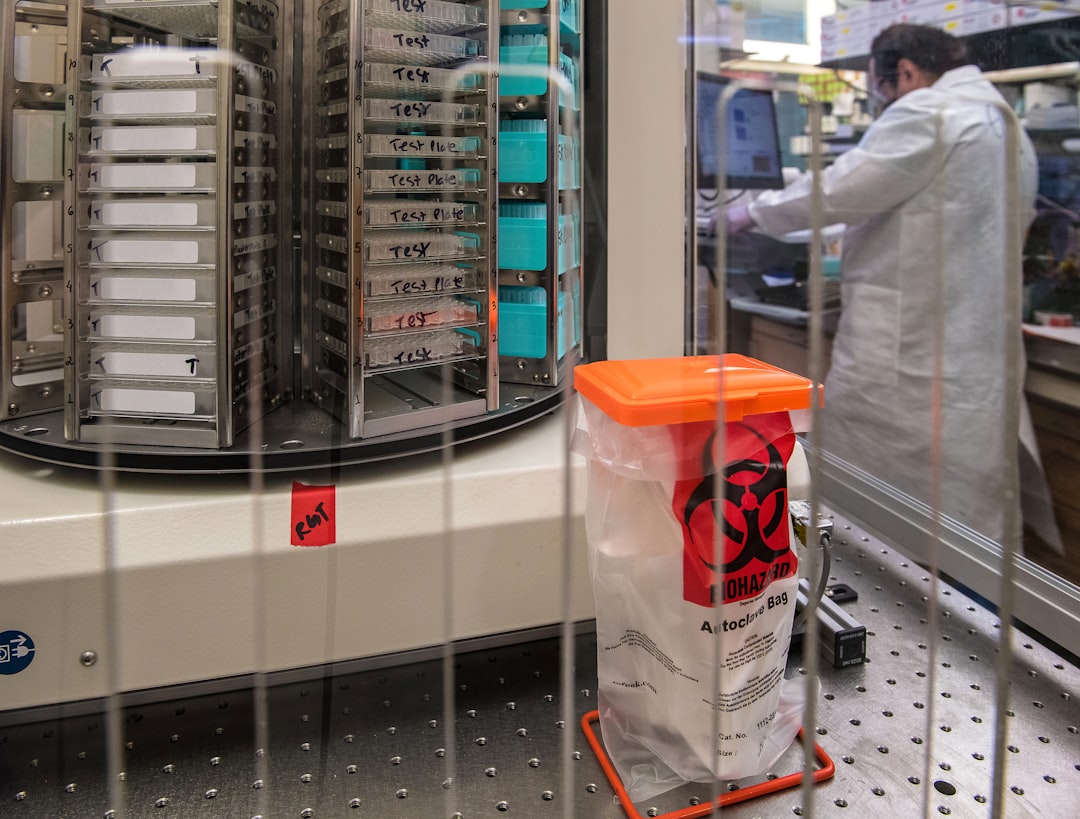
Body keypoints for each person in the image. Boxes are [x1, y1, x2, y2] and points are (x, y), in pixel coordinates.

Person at [727, 23, 1061, 549]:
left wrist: (750, 213)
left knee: (892, 533)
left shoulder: (930, 112)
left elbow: (843, 190)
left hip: (913, 365)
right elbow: (921, 212)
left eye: (882, 92)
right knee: (967, 537)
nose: (885, 105)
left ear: (905, 71)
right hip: (970, 356)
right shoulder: (1001, 118)